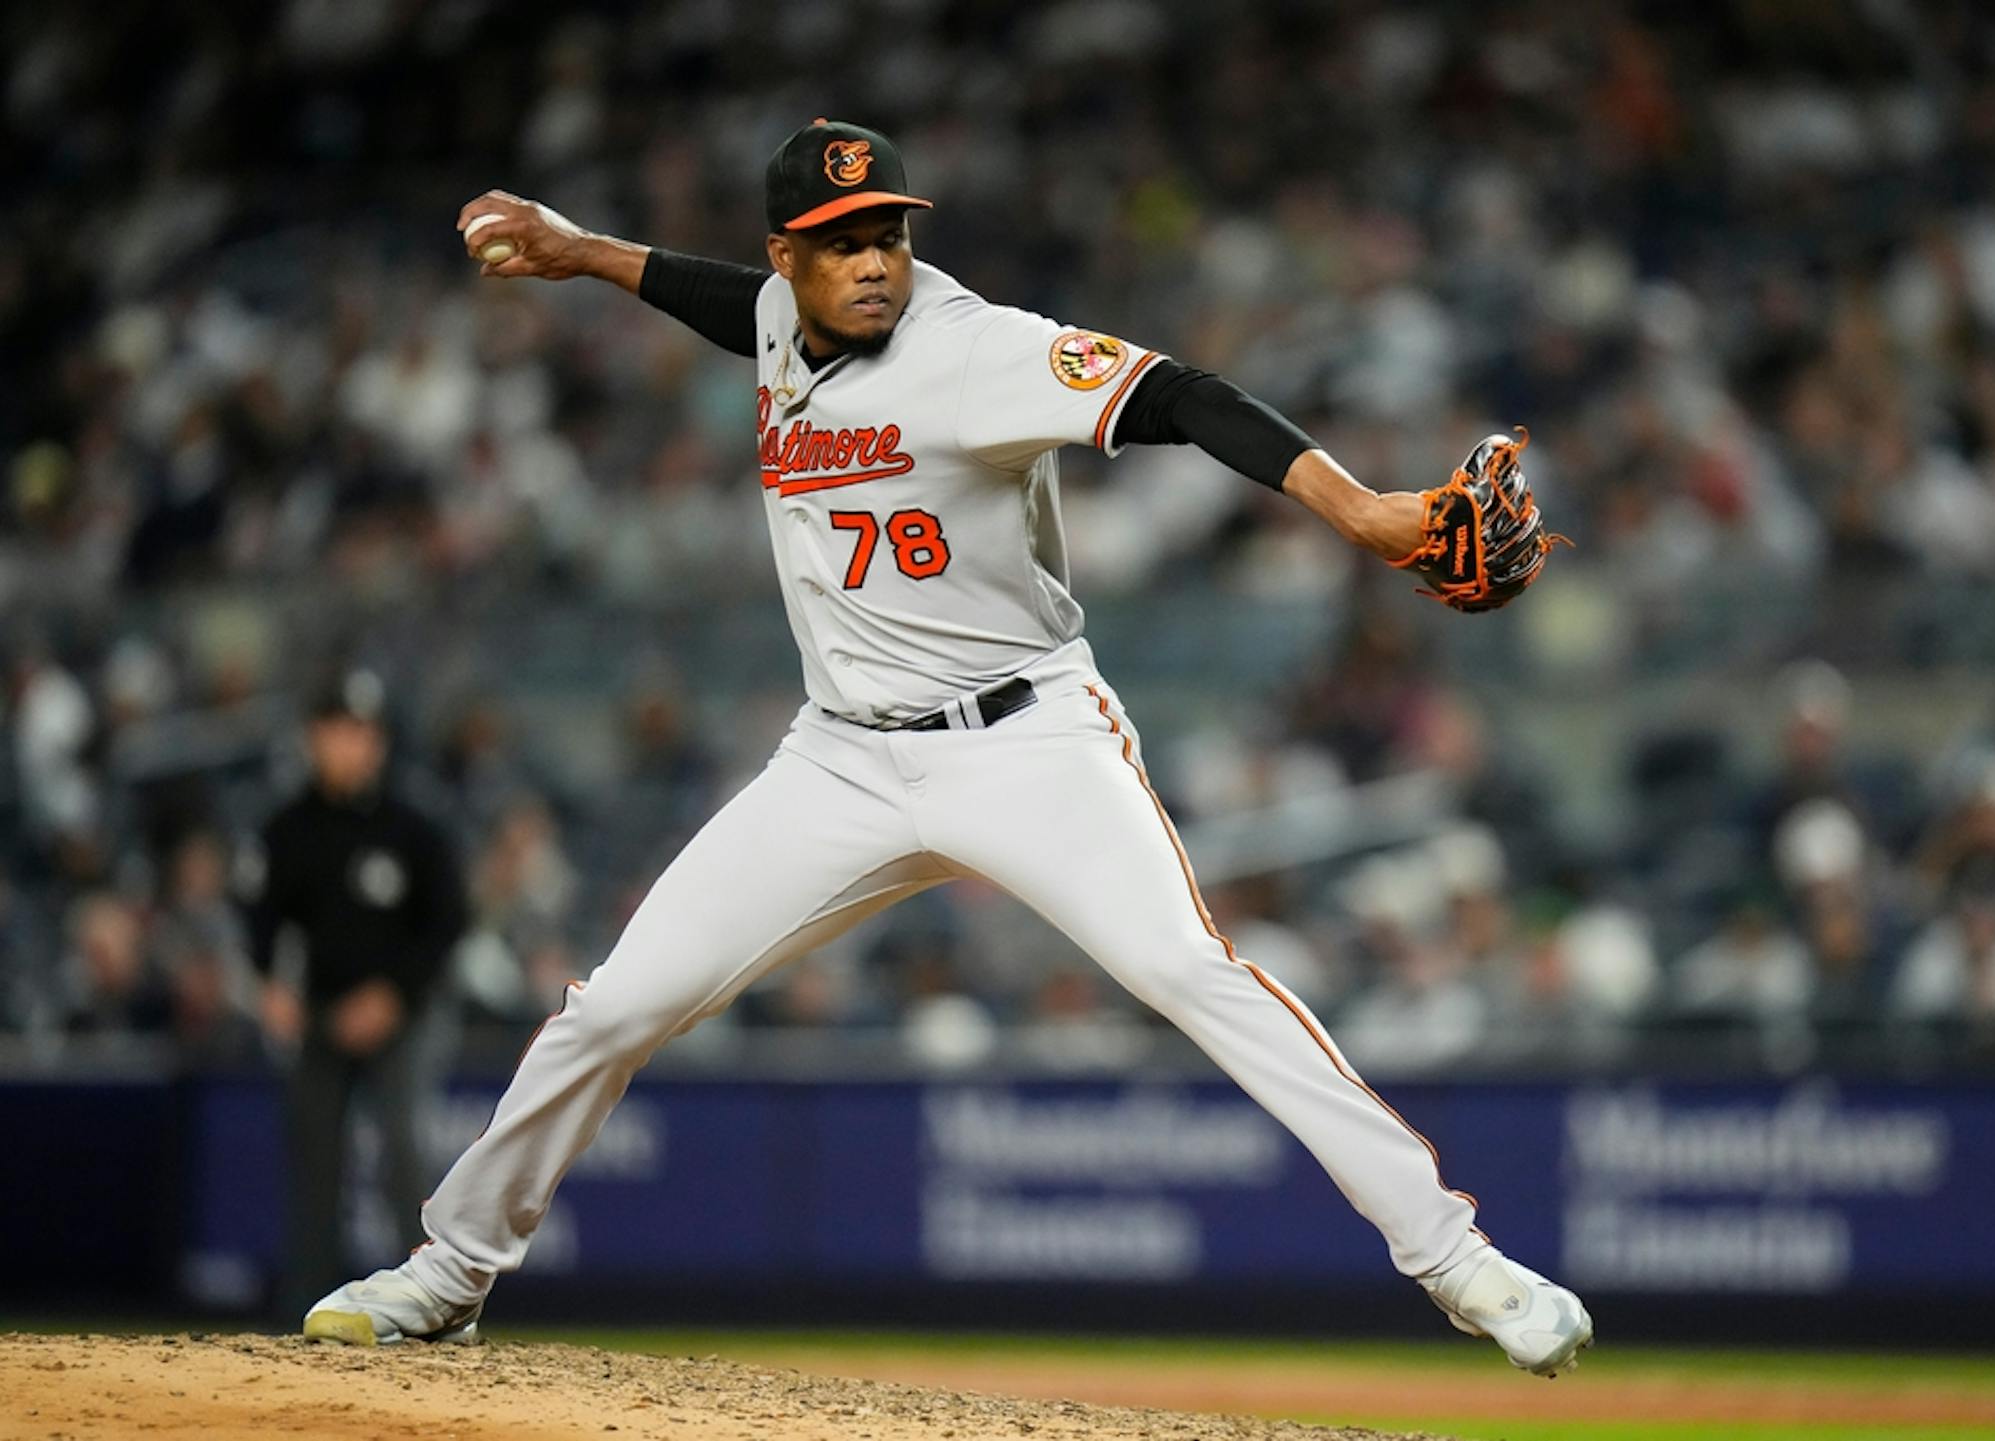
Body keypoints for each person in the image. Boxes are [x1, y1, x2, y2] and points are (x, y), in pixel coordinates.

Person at [304, 119, 1591, 1376]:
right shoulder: (770, 317)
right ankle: (452, 1267)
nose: (873, 260)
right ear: (788, 256)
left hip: (1024, 741)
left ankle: (1461, 1261)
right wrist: (585, 254)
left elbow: (1184, 396)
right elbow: (721, 301)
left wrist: (1359, 506)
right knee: (618, 1005)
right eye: (839, 239)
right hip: (840, 762)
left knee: (1191, 972)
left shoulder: (977, 349)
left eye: (889, 234)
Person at [251, 668, 468, 1317]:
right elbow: (260, 918)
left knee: (404, 1150)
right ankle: (310, 1302)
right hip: (320, 1014)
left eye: (363, 733)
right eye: (339, 731)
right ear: (314, 738)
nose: (352, 746)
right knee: (315, 1155)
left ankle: (425, 1301)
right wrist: (271, 986)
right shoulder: (287, 827)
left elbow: (446, 924)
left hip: (400, 1017)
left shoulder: (414, 828)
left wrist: (392, 995)